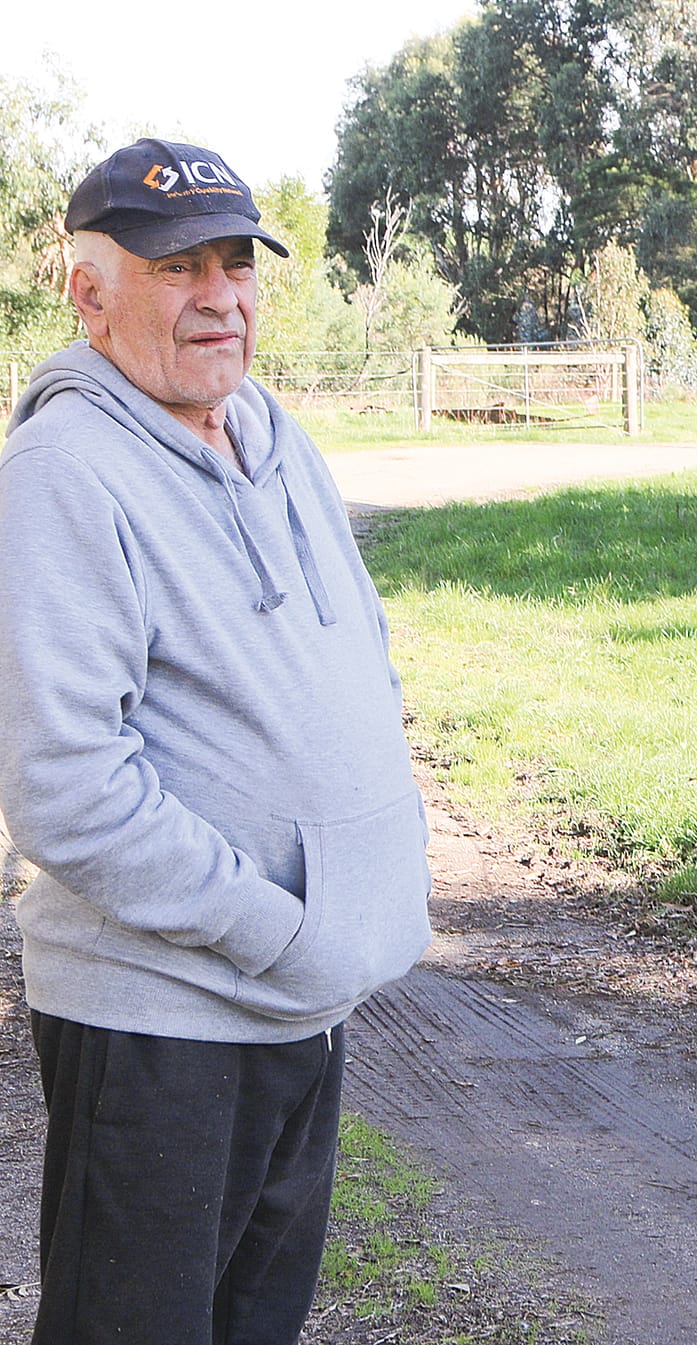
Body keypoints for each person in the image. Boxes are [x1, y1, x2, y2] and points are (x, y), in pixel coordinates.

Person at [0, 137, 433, 1344]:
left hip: (298, 1004)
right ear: (90, 293)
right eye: (176, 266)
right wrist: (278, 931)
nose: (219, 296)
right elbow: (67, 788)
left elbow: (363, 653)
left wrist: (363, 888)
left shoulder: (270, 432)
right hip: (163, 1020)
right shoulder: (61, 472)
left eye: (236, 263)